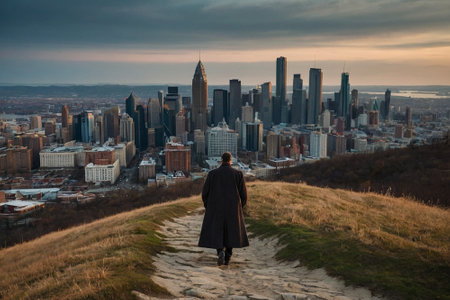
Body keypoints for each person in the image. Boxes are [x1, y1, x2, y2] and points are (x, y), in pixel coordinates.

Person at [198, 152, 249, 266]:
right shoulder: (238, 174)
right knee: (231, 231)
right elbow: (243, 194)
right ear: (230, 161)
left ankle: (220, 251)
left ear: (221, 160)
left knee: (218, 230)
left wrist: (209, 206)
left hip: (216, 207)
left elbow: (205, 193)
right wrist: (240, 207)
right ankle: (228, 256)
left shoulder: (212, 174)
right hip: (233, 207)